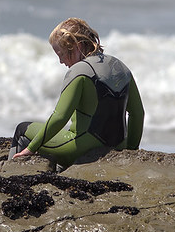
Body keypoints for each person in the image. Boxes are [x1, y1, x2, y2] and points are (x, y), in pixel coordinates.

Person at [10, 18, 145, 169]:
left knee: (22, 130)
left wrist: (31, 148)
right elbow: (137, 114)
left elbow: (59, 117)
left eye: (60, 54)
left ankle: (8, 173)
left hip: (82, 148)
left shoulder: (79, 70)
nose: (61, 61)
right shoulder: (121, 67)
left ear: (76, 47)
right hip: (118, 145)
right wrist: (131, 150)